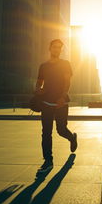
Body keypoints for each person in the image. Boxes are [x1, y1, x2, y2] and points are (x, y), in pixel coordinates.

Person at [35, 39, 77, 173]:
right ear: (50, 48)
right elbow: (39, 83)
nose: (57, 50)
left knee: (61, 130)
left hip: (61, 103)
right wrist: (38, 90)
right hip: (46, 103)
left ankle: (72, 138)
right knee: (46, 133)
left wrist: (63, 96)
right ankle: (48, 161)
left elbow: (67, 82)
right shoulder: (43, 66)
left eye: (59, 48)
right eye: (54, 47)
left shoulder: (65, 64)